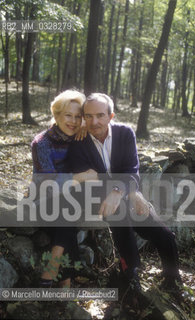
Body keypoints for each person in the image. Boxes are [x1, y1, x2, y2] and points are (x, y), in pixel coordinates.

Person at [65, 93, 182, 295]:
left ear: (111, 116)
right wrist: (125, 190)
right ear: (84, 117)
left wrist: (127, 192)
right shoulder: (77, 142)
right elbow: (90, 180)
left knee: (164, 235)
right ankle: (131, 277)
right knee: (120, 218)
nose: (94, 121)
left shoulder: (125, 134)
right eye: (89, 116)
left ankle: (173, 280)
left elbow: (132, 169)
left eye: (100, 115)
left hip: (126, 193)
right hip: (95, 198)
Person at [31, 89, 98, 288]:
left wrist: (86, 125)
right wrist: (82, 176)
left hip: (72, 197)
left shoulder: (81, 137)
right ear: (56, 115)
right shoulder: (41, 143)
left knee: (68, 202)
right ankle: (64, 278)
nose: (73, 121)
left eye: (78, 117)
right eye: (68, 115)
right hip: (44, 196)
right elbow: (49, 183)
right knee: (65, 205)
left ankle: (55, 273)